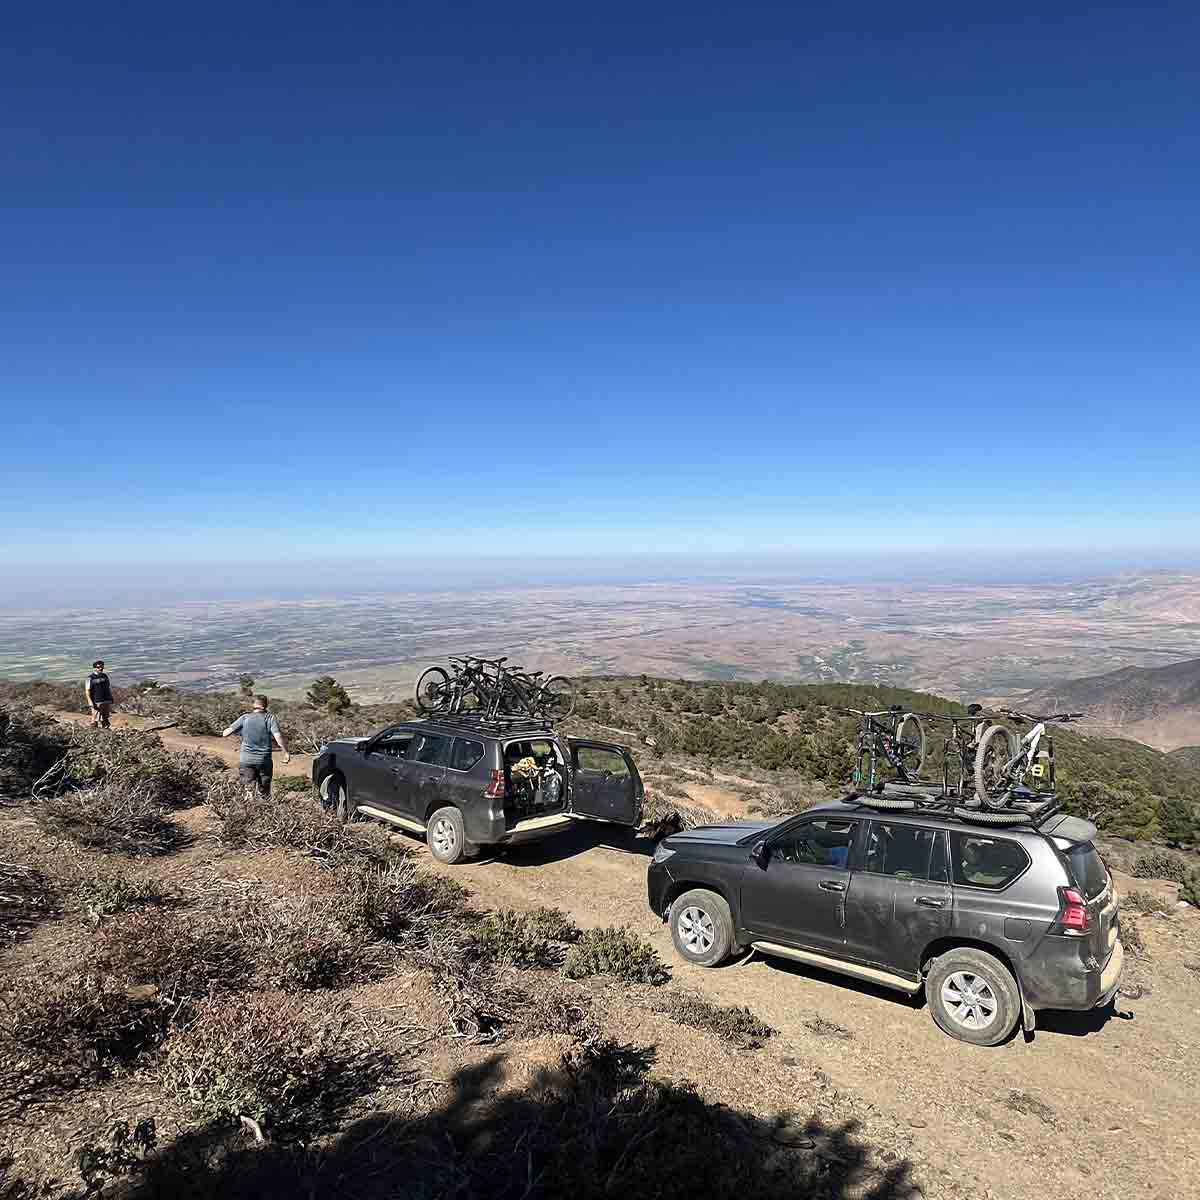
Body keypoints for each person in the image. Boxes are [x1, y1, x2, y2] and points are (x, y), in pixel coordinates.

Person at [222, 694, 290, 797]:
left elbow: (225, 733)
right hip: (264, 760)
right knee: (264, 791)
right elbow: (278, 737)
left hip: (246, 760)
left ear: (254, 704)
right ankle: (265, 809)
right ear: (266, 705)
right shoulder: (270, 718)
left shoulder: (245, 718)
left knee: (248, 791)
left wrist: (240, 731)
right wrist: (286, 752)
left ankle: (249, 810)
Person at [85, 659, 114, 729]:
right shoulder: (90, 678)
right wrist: (90, 702)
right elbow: (87, 691)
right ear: (94, 668)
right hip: (96, 701)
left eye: (102, 667)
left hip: (106, 700)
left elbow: (108, 687)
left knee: (105, 717)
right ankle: (93, 731)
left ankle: (106, 731)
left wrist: (111, 697)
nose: (100, 668)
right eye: (98, 667)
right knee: (95, 717)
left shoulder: (105, 676)